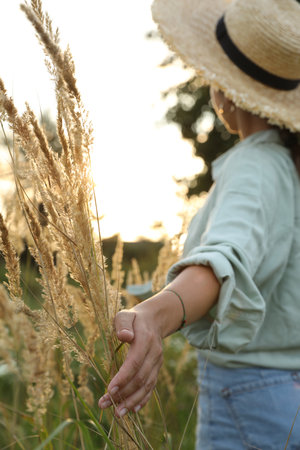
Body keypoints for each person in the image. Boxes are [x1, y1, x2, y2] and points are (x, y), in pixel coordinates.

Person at [99, 0, 300, 448]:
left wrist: (153, 313)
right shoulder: (290, 167)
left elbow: (223, 260)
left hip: (249, 399)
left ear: (224, 92)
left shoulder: (255, 166)